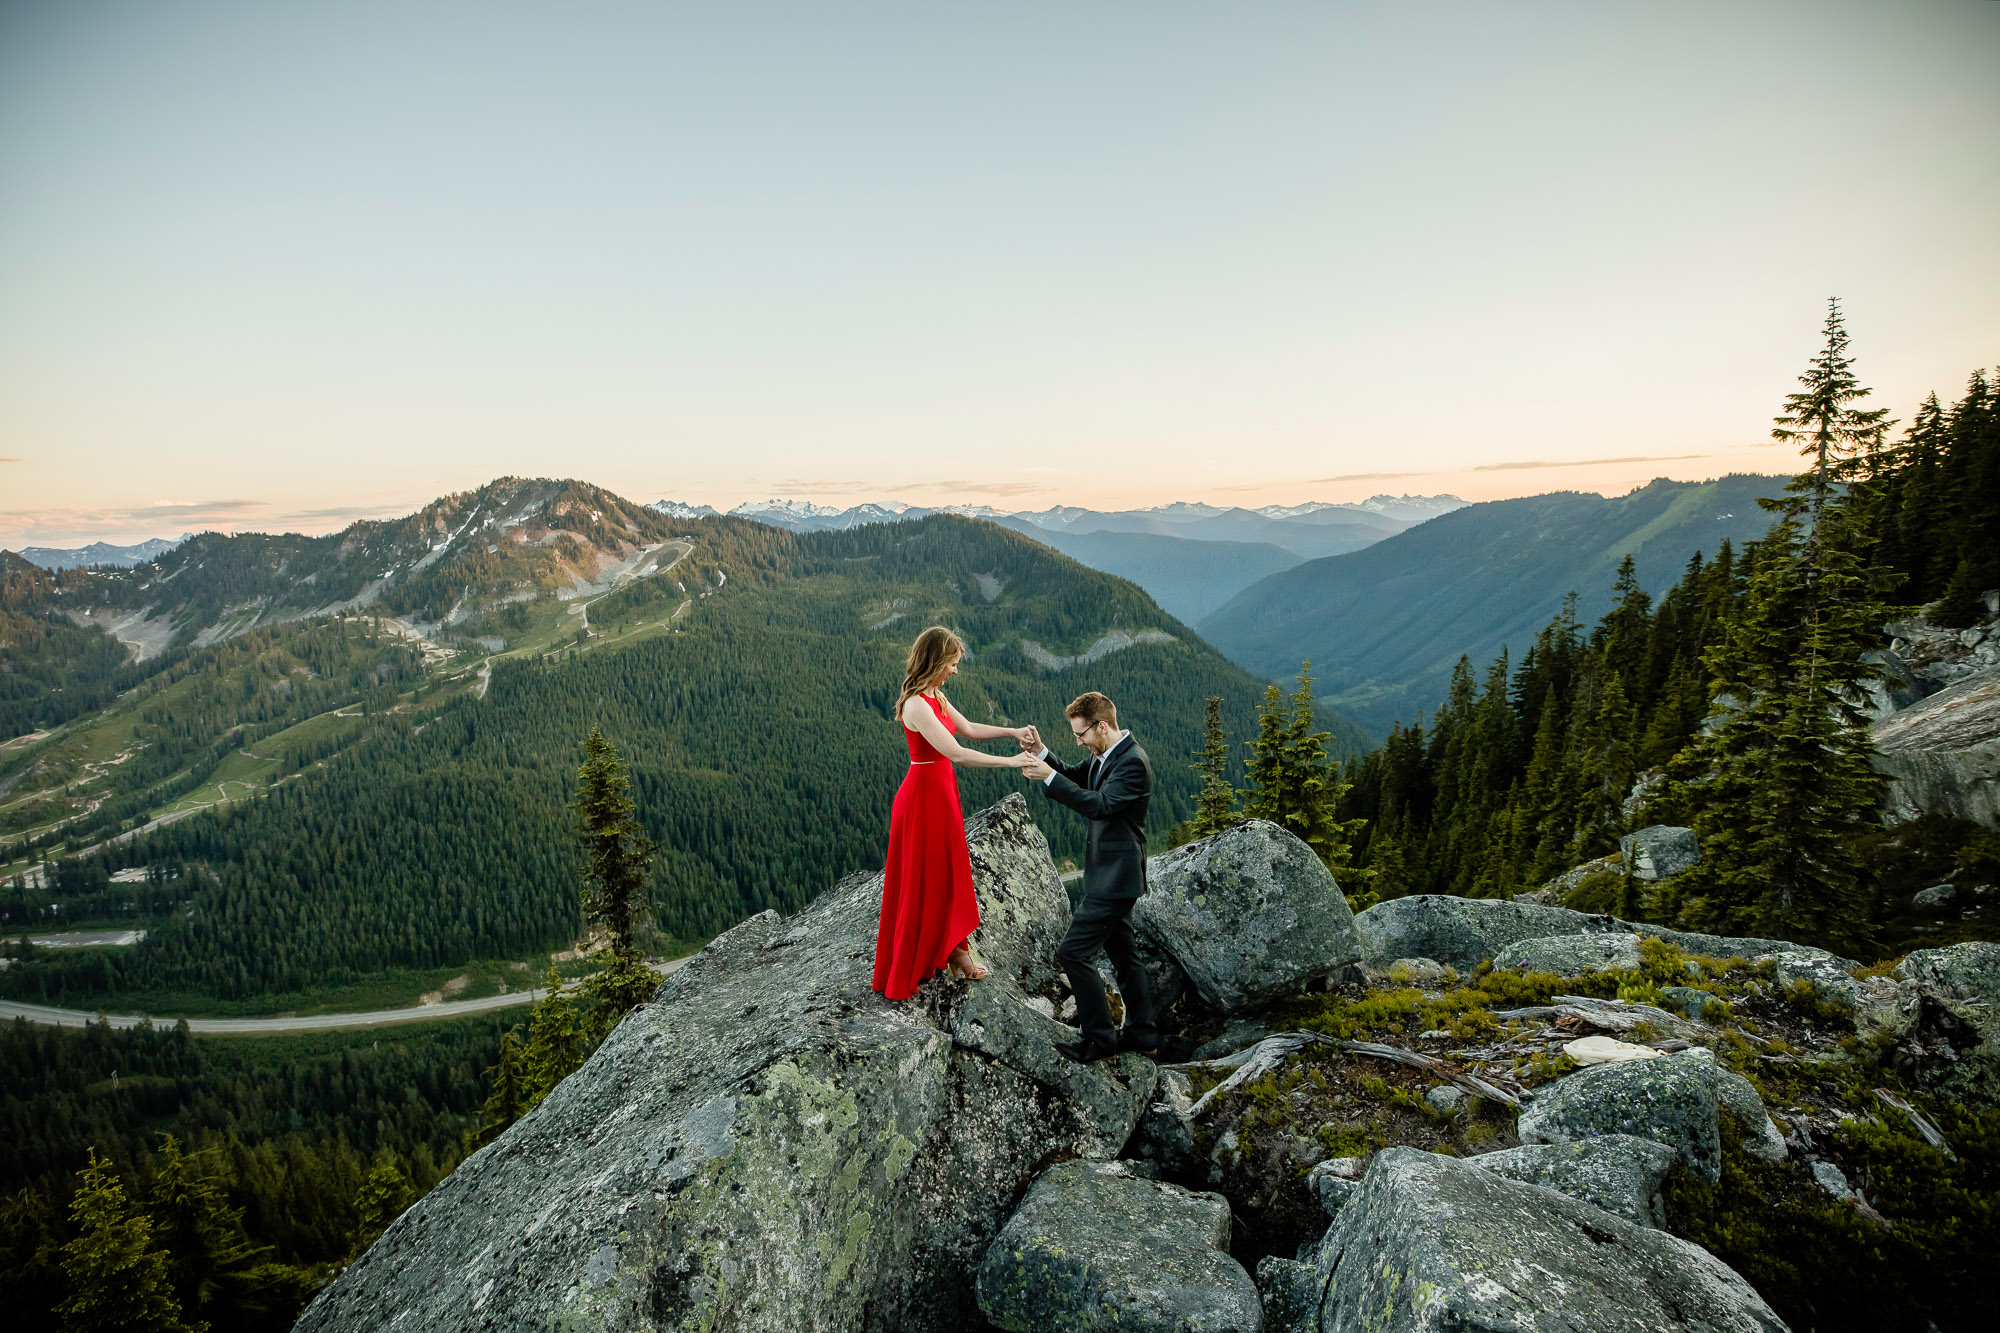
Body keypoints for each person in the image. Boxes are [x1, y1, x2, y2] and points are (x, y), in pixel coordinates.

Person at [873, 626, 1038, 1001]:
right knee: (924, 879)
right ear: (935, 661)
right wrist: (1011, 762)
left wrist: (1011, 732)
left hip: (941, 795)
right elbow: (957, 752)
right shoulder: (916, 703)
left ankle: (953, 949)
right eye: (952, 663)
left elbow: (967, 729)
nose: (955, 671)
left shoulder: (937, 696)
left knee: (947, 873)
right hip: (922, 799)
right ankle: (948, 954)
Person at [1020, 691, 1158, 1063]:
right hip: (1109, 875)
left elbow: (1100, 806)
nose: (1078, 741)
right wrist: (1044, 754)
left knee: (1073, 954)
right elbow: (1079, 777)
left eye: (1081, 734)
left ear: (1102, 726)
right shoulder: (1104, 755)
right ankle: (1143, 1034)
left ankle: (1099, 1039)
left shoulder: (1133, 763)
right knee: (1124, 956)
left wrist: (1048, 777)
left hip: (1115, 879)